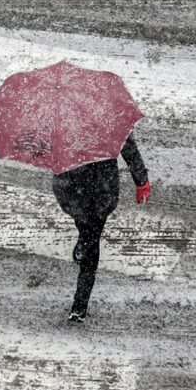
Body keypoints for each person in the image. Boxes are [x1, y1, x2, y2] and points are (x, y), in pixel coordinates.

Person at [51, 133, 151, 322]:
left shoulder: (63, 115)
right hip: (99, 188)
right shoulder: (109, 116)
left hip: (76, 186)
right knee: (90, 237)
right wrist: (141, 181)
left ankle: (80, 304)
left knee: (89, 236)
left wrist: (141, 180)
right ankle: (80, 305)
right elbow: (127, 144)